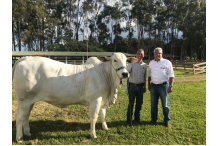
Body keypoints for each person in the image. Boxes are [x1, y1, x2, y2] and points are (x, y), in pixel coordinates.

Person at [148, 47, 174, 128]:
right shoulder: (151, 63)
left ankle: (167, 120)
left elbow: (171, 75)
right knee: (153, 104)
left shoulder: (167, 62)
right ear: (154, 54)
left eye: (159, 53)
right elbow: (149, 75)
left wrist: (170, 86)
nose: (157, 54)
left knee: (165, 104)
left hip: (164, 86)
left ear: (162, 54)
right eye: (156, 53)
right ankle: (154, 119)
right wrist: (149, 85)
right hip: (153, 86)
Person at [126, 49, 147, 126]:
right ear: (136, 55)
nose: (140, 55)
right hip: (132, 87)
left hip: (141, 87)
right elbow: (127, 72)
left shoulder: (144, 65)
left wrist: (145, 86)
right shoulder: (132, 64)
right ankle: (129, 120)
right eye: (138, 54)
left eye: (141, 54)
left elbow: (145, 77)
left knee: (139, 103)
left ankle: (137, 119)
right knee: (131, 103)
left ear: (143, 55)